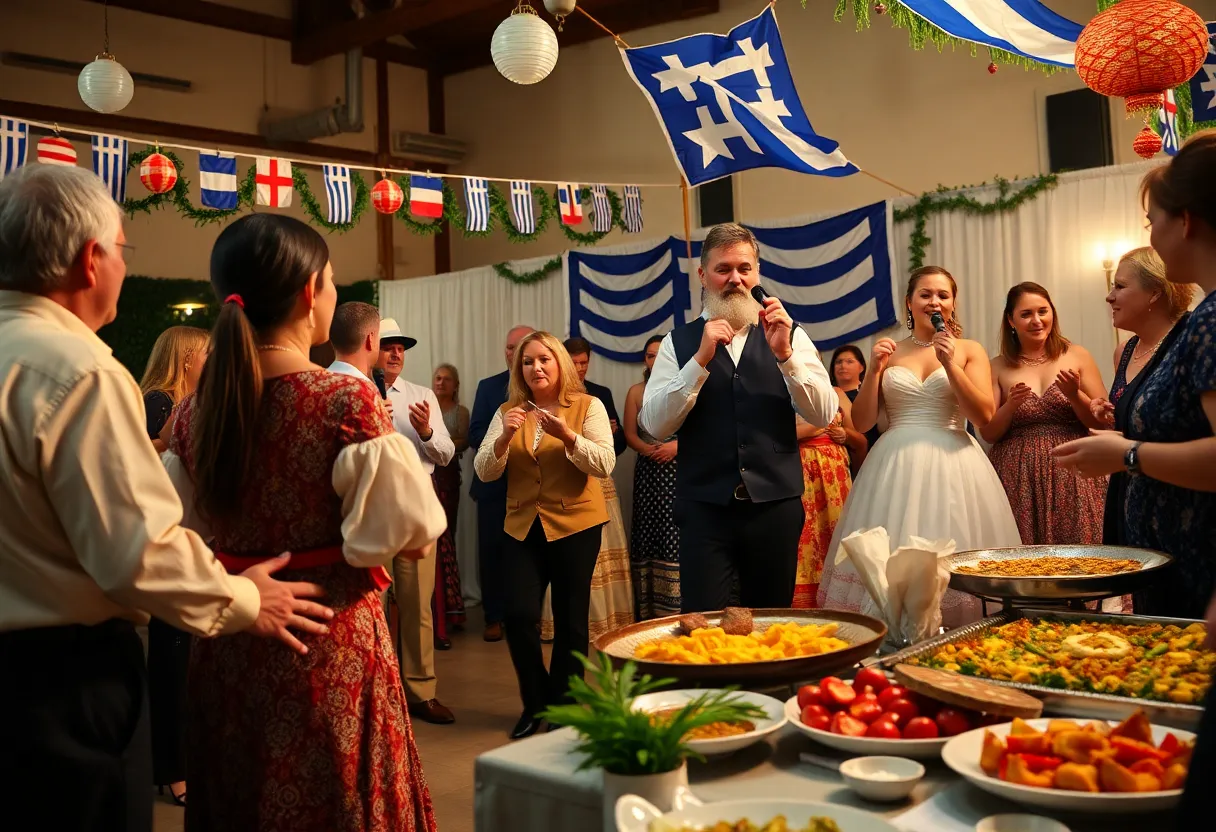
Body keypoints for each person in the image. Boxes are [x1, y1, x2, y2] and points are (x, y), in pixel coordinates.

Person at [0, 165, 331, 831]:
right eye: (124, 250)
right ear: (93, 259)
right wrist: (244, 598)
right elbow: (137, 553)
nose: (122, 266)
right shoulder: (79, 369)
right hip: (59, 685)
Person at [164, 214, 445, 830]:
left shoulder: (193, 414)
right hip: (328, 646)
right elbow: (414, 535)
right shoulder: (344, 401)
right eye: (333, 281)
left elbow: (169, 534)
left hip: (229, 644)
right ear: (307, 292)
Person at [1054, 131, 1216, 620]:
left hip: (1199, 564)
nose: (1150, 234)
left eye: (1152, 221)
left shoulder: (1206, 323)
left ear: (1184, 222)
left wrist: (1125, 453)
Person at [640, 223, 837, 612]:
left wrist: (785, 357)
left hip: (774, 507)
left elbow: (824, 413)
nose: (735, 279)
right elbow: (655, 426)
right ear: (702, 275)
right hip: (704, 509)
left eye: (744, 269)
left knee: (770, 620)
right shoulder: (676, 343)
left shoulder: (791, 335)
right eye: (723, 269)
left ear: (757, 273)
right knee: (704, 619)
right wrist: (698, 361)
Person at [817, 266, 1021, 629]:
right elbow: (862, 423)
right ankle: (893, 634)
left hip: (954, 460)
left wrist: (950, 364)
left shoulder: (970, 350)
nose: (934, 301)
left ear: (953, 303)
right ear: (909, 303)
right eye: (925, 294)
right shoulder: (891, 351)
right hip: (895, 463)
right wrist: (876, 370)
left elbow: (984, 414)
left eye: (943, 295)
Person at [473, 331, 615, 740]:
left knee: (571, 623)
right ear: (519, 369)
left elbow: (604, 463)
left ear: (560, 365)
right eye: (528, 361)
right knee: (518, 616)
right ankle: (535, 703)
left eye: (544, 360)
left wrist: (568, 436)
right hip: (521, 526)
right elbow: (485, 471)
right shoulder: (508, 410)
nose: (536, 367)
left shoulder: (588, 406)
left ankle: (565, 708)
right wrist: (502, 437)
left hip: (576, 525)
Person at [138, 324, 210, 807]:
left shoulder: (184, 403)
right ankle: (173, 770)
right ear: (185, 359)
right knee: (172, 661)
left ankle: (180, 763)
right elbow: (140, 466)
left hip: (189, 539)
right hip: (167, 539)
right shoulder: (158, 403)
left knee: (185, 662)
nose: (211, 361)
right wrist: (168, 443)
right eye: (205, 353)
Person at [1078, 248, 1194, 547]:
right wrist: (1110, 415)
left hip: (1180, 505)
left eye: (1120, 286)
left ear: (1154, 292)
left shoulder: (1189, 339)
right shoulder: (1126, 351)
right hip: (1130, 496)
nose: (1109, 296)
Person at [981, 283, 1109, 548]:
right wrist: (1011, 406)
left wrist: (1075, 395)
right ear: (1010, 320)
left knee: (1081, 555)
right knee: (1023, 559)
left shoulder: (1076, 355)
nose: (1036, 321)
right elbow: (989, 433)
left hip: (1074, 470)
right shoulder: (997, 366)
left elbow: (1102, 422)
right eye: (1026, 314)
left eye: (1043, 311)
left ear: (1053, 313)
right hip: (1017, 477)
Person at [377, 317, 457, 725]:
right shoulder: (356, 391)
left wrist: (426, 430)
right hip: (371, 506)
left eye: (401, 347)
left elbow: (445, 454)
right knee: (371, 606)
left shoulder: (421, 395)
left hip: (414, 503)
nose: (396, 353)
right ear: (371, 346)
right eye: (388, 345)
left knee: (417, 604)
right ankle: (375, 695)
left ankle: (421, 692)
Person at [537, 337, 632, 643]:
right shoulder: (550, 395)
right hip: (561, 484)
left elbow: (617, 448)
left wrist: (613, 435)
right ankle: (566, 626)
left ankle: (607, 623)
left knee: (601, 551)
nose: (579, 369)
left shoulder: (600, 394)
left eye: (584, 363)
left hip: (598, 482)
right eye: (574, 363)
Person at [468, 324, 534, 643]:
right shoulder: (488, 386)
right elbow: (475, 434)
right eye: (509, 347)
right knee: (492, 553)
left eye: (519, 346)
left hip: (535, 488)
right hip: (495, 486)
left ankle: (525, 617)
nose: (513, 352)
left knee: (528, 556)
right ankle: (493, 617)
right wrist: (505, 440)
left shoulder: (544, 388)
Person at [624, 334, 680, 619]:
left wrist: (675, 447)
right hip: (649, 471)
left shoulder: (684, 385)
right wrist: (649, 450)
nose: (655, 359)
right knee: (650, 530)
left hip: (681, 467)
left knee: (678, 529)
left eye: (661, 354)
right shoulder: (636, 391)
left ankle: (680, 604)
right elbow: (629, 435)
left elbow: (702, 430)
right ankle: (650, 607)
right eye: (649, 355)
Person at [792, 388, 860, 608]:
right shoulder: (781, 389)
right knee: (803, 532)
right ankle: (801, 600)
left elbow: (859, 437)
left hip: (833, 471)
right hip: (797, 466)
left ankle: (839, 596)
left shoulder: (836, 393)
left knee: (836, 529)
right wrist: (815, 428)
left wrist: (847, 435)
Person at [432, 362, 469, 629]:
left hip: (449, 478)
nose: (441, 382)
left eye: (446, 379)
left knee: (447, 538)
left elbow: (463, 440)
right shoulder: (426, 407)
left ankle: (451, 606)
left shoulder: (461, 411)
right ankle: (436, 604)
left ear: (455, 385)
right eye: (438, 378)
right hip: (429, 477)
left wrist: (433, 441)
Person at [142, 325, 209, 453]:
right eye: (207, 353)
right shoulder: (157, 400)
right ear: (187, 359)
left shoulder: (200, 400)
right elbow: (137, 451)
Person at [829, 344, 876, 474]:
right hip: (835, 464)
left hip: (869, 462)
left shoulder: (869, 394)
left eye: (849, 361)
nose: (843, 366)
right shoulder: (825, 397)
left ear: (861, 367)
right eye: (838, 362)